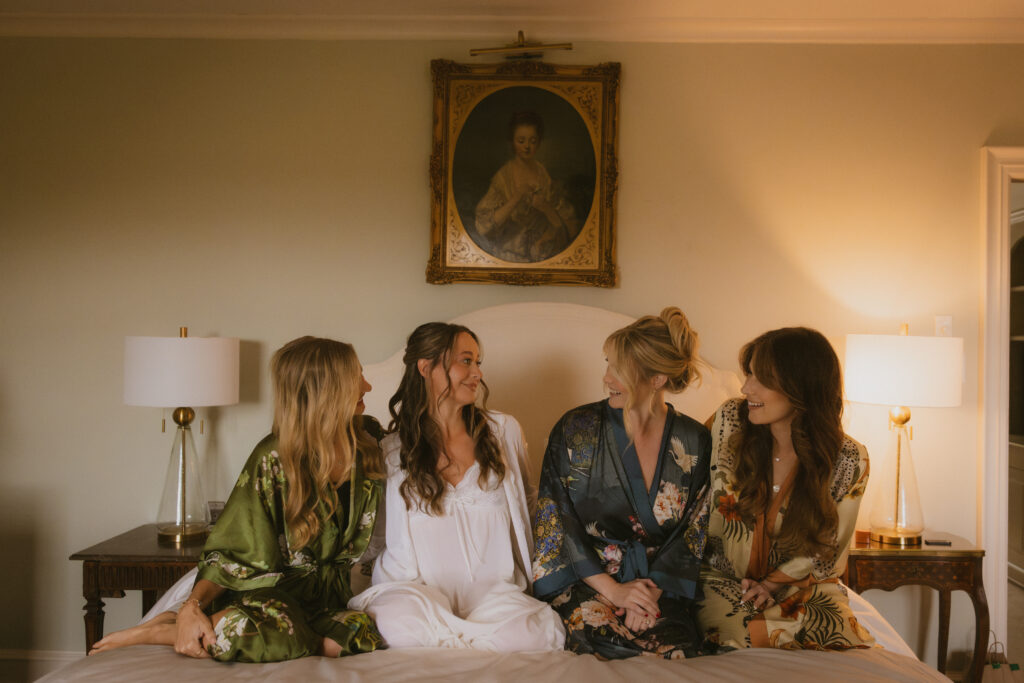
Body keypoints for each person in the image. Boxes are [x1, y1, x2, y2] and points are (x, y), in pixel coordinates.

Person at [89, 337, 386, 662]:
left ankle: (183, 627)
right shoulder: (272, 457)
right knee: (282, 633)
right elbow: (232, 551)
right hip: (271, 598)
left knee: (363, 634)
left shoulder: (368, 446)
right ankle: (162, 631)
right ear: (328, 389)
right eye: (357, 376)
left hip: (329, 600)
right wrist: (192, 606)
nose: (368, 386)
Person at [348, 322, 565, 651]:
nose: (477, 373)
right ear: (426, 368)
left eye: (478, 362)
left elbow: (531, 507)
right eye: (466, 361)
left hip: (496, 599)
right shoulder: (391, 450)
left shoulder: (503, 432)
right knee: (396, 623)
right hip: (416, 597)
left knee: (536, 632)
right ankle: (468, 644)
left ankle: (455, 644)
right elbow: (375, 535)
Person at [533, 307, 711, 659]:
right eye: (608, 364)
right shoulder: (576, 429)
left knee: (676, 648)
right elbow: (556, 521)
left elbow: (694, 528)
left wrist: (646, 595)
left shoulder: (694, 440)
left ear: (657, 378)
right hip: (589, 582)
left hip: (657, 587)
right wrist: (615, 592)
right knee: (601, 642)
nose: (606, 378)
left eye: (619, 370)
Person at [697, 327, 874, 651]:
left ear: (801, 388)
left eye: (761, 379)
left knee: (841, 641)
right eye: (748, 374)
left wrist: (772, 584)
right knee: (741, 636)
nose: (746, 388)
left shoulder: (849, 459)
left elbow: (829, 546)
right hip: (725, 581)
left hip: (803, 587)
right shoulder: (728, 422)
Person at [474, 111, 578, 263]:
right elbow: (484, 226)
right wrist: (516, 198)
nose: (527, 147)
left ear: (539, 142)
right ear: (512, 142)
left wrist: (545, 207)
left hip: (540, 254)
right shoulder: (503, 177)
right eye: (521, 141)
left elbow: (564, 224)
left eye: (533, 141)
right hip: (509, 255)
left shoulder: (543, 174)